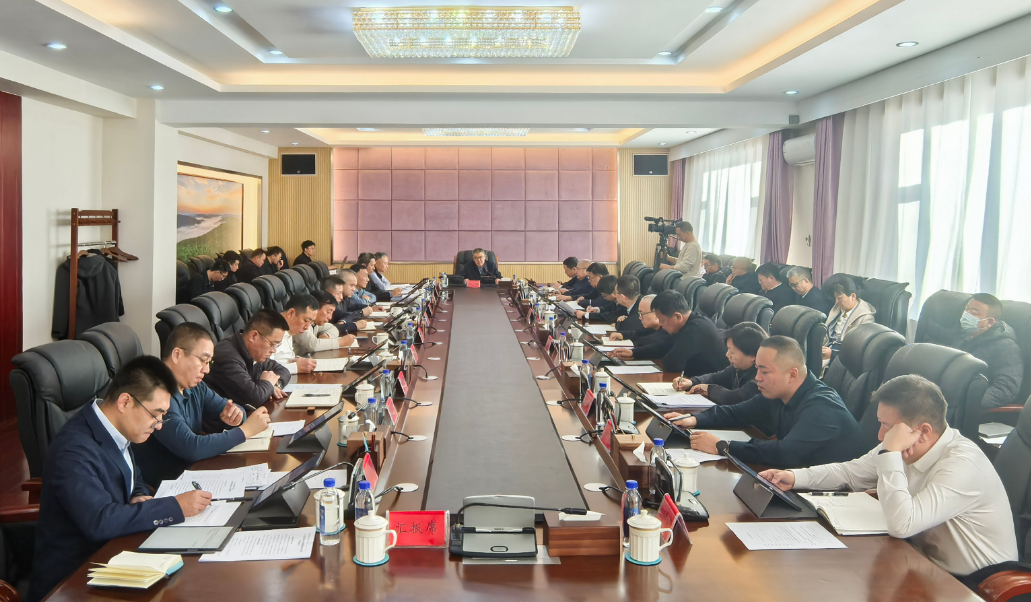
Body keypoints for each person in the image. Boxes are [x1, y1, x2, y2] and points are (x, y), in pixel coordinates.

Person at [759, 375, 1018, 580]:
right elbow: (851, 472)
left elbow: (903, 524)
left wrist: (891, 454)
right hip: (922, 563)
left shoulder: (962, 464)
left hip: (976, 584)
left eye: (887, 426)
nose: (881, 436)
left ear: (923, 431)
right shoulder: (903, 444)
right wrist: (793, 476)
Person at [30, 357, 212, 602]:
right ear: (125, 402)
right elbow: (99, 521)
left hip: (116, 556)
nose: (159, 425)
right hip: (74, 581)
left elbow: (133, 475)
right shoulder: (73, 450)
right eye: (156, 415)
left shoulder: (112, 427)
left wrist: (138, 494)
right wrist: (175, 507)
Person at [664, 336, 865, 468]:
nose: (757, 378)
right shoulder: (778, 392)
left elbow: (785, 453)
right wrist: (692, 419)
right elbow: (736, 412)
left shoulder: (821, 407)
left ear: (792, 374)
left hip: (835, 496)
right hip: (800, 478)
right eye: (757, 369)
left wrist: (722, 446)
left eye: (765, 371)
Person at [134, 323, 271, 486]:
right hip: (170, 485)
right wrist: (245, 430)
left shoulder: (195, 386)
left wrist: (237, 415)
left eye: (209, 362)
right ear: (177, 355)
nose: (207, 370)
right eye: (203, 360)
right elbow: (191, 447)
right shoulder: (157, 393)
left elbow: (229, 407)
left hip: (197, 471)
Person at [932, 294, 1023, 409]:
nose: (967, 315)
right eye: (967, 309)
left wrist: (968, 403)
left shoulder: (1006, 347)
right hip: (945, 396)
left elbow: (1005, 388)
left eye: (974, 313)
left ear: (989, 322)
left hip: (967, 408)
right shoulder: (965, 333)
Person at [205, 309, 293, 407]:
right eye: (272, 344)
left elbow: (284, 370)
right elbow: (254, 398)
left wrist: (273, 386)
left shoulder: (254, 352)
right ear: (253, 336)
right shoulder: (227, 357)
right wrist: (268, 384)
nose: (274, 350)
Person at [672, 322, 766, 405]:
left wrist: (709, 389)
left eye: (732, 352)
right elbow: (716, 377)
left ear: (753, 355)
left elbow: (735, 398)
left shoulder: (761, 377)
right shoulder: (738, 367)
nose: (727, 354)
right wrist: (692, 382)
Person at [650, 289, 729, 376]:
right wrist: (637, 353)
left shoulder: (695, 329)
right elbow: (662, 347)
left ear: (678, 317)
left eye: (662, 320)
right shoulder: (685, 325)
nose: (660, 324)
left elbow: (672, 364)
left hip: (710, 382)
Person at [822, 278, 876, 362]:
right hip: (827, 348)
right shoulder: (837, 309)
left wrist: (833, 354)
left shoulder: (866, 318)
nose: (837, 301)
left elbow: (859, 348)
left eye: (839, 298)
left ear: (853, 296)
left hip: (842, 357)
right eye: (835, 298)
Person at [609, 295, 674, 361]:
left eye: (642, 314)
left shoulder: (668, 330)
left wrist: (633, 352)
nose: (640, 318)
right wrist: (623, 335)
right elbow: (641, 333)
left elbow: (651, 343)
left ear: (655, 313)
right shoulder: (653, 328)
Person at [295, 291, 357, 355]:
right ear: (315, 309)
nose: (330, 317)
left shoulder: (315, 324)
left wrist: (326, 335)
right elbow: (313, 345)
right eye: (328, 312)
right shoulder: (302, 323)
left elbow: (333, 328)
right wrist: (341, 342)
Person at [271, 294, 320, 375]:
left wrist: (295, 360)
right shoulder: (270, 330)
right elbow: (263, 370)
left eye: (311, 322)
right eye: (306, 320)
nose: (307, 327)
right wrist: (295, 367)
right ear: (291, 313)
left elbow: (281, 359)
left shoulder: (289, 329)